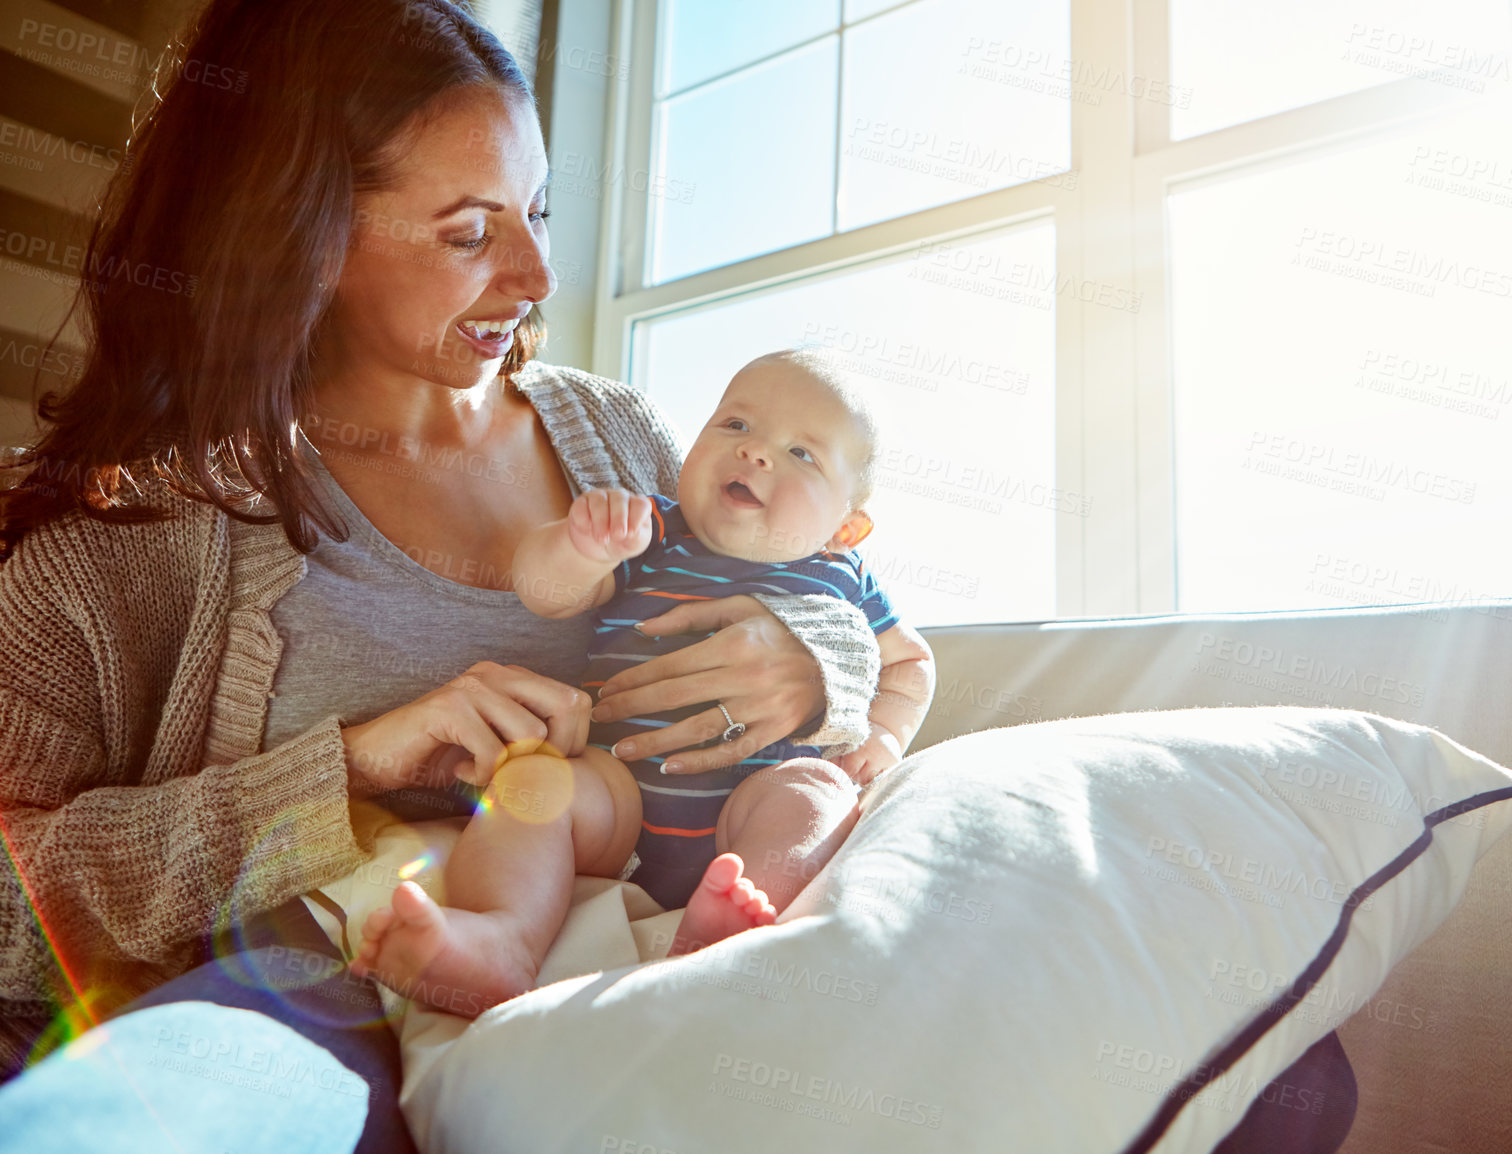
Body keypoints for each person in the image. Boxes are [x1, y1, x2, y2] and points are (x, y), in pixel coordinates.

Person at [0, 2, 879, 1149]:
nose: (537, 271)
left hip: (616, 970)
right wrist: (351, 763)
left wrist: (817, 669)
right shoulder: (132, 531)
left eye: (540, 208)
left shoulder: (620, 438)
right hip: (301, 1003)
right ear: (299, 239)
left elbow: (839, 586)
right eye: (469, 234)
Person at [349, 351, 937, 1012]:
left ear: (846, 528)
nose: (757, 455)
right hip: (620, 790)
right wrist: (580, 546)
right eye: (736, 425)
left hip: (755, 791)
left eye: (802, 453)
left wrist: (881, 740)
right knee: (533, 781)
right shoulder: (658, 530)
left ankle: (729, 927)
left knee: (817, 794)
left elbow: (911, 663)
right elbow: (545, 593)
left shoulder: (845, 575)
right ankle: (502, 938)